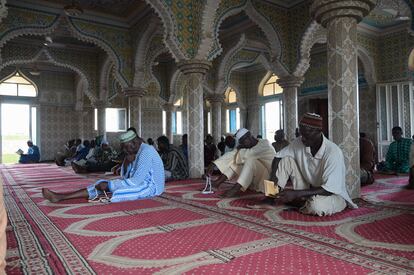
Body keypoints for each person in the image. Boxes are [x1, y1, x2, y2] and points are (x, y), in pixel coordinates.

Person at [263, 113, 357, 216]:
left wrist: (297, 194)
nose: (302, 139)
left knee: (316, 206)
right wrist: (273, 179)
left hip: (332, 194)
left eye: (306, 135)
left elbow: (329, 189)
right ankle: (270, 198)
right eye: (301, 134)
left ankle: (302, 202)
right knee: (286, 160)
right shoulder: (300, 142)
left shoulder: (333, 152)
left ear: (319, 132)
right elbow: (277, 157)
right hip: (309, 189)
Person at [42, 130, 165, 203]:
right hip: (140, 184)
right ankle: (61, 197)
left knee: (116, 191)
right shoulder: (134, 152)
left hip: (152, 188)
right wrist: (127, 161)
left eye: (126, 147)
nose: (125, 151)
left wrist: (111, 185)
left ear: (134, 143)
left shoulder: (146, 151)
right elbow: (125, 177)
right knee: (102, 183)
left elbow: (136, 181)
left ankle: (100, 195)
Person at [207, 128, 276, 197]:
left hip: (270, 182)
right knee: (238, 161)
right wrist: (214, 164)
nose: (243, 144)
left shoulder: (264, 144)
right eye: (241, 142)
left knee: (249, 161)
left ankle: (234, 189)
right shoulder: (249, 146)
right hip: (257, 181)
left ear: (249, 136)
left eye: (243, 141)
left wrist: (239, 149)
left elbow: (244, 155)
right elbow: (235, 154)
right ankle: (217, 183)